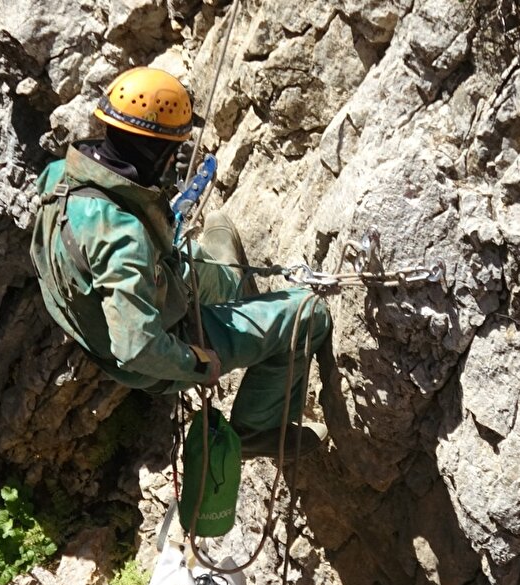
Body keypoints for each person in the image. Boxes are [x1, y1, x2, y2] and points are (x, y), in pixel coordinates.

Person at [30, 66, 331, 457]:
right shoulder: (123, 238)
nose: (174, 162)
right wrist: (198, 364)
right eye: (171, 151)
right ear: (157, 151)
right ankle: (258, 429)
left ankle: (232, 289)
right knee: (310, 315)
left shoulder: (60, 175)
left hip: (127, 303)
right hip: (159, 346)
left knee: (207, 266)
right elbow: (137, 347)